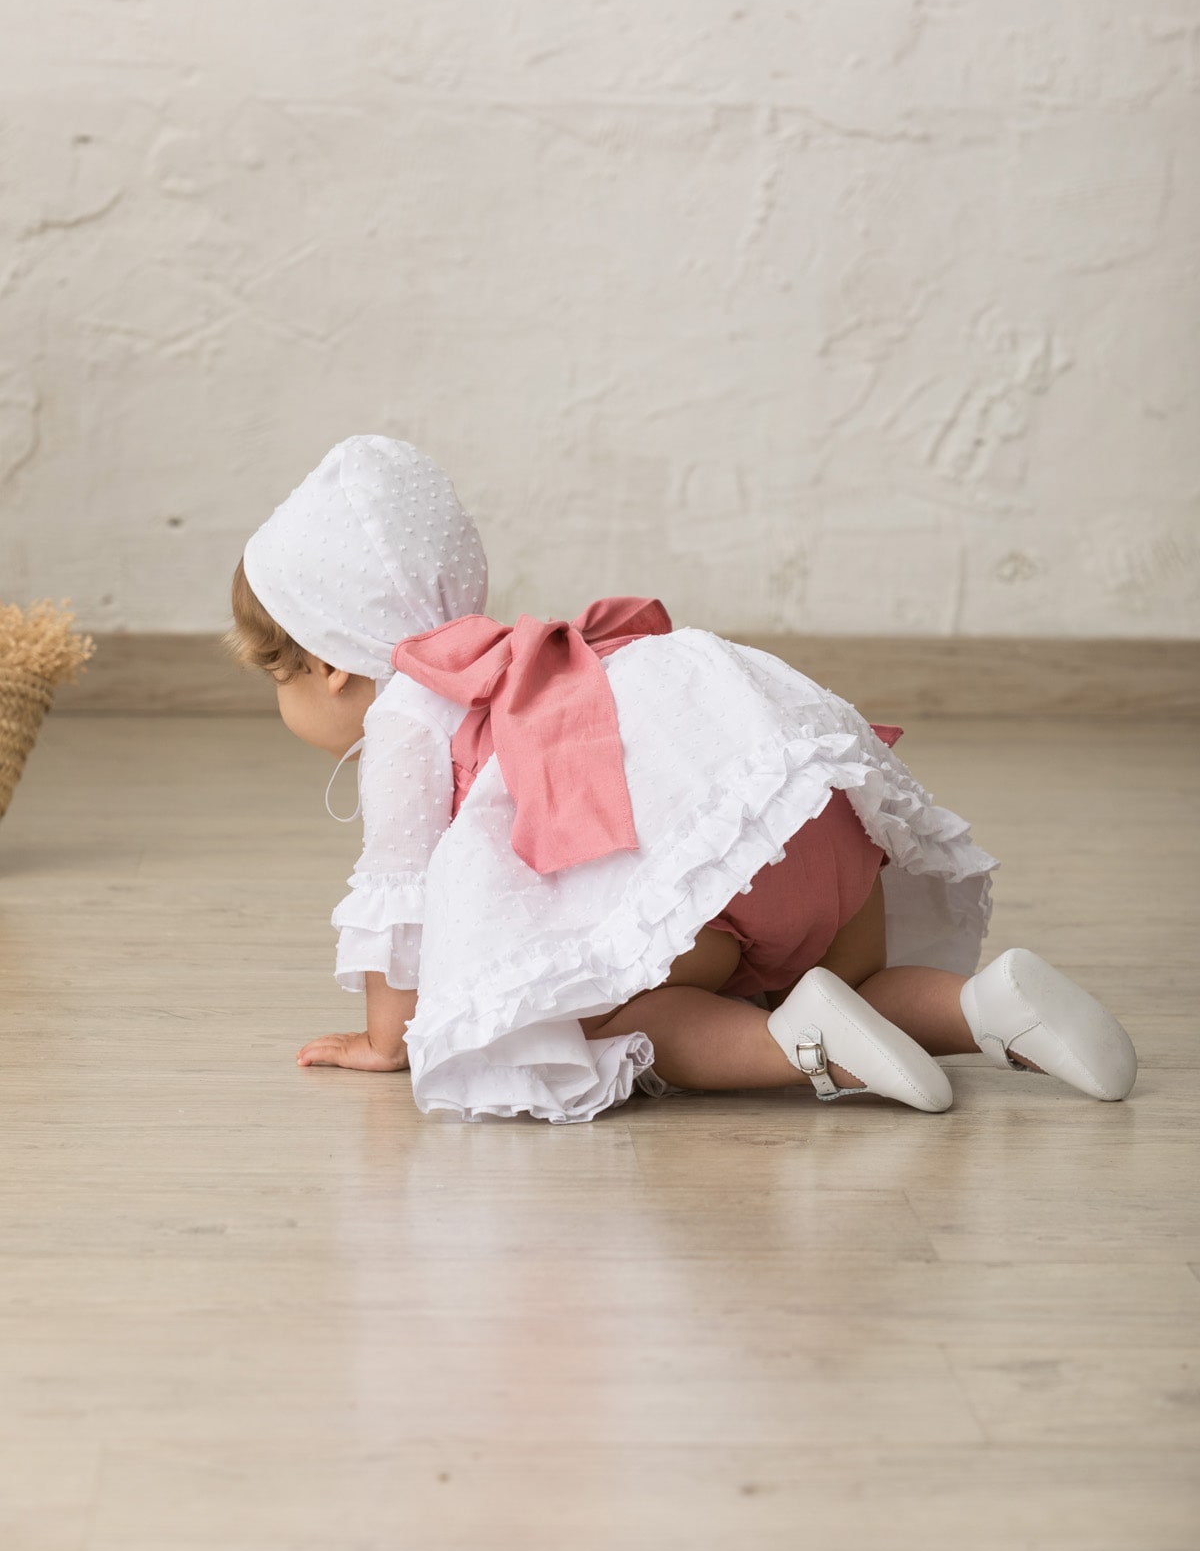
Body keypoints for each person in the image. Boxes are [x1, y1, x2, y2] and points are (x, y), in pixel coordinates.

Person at [230, 434, 1136, 1124]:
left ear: (326, 665)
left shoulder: (406, 714)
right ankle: (986, 1008)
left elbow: (403, 904)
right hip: (809, 831)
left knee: (623, 1021)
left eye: (274, 678)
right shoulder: (559, 660)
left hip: (709, 901)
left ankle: (801, 1049)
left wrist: (391, 1043)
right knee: (843, 980)